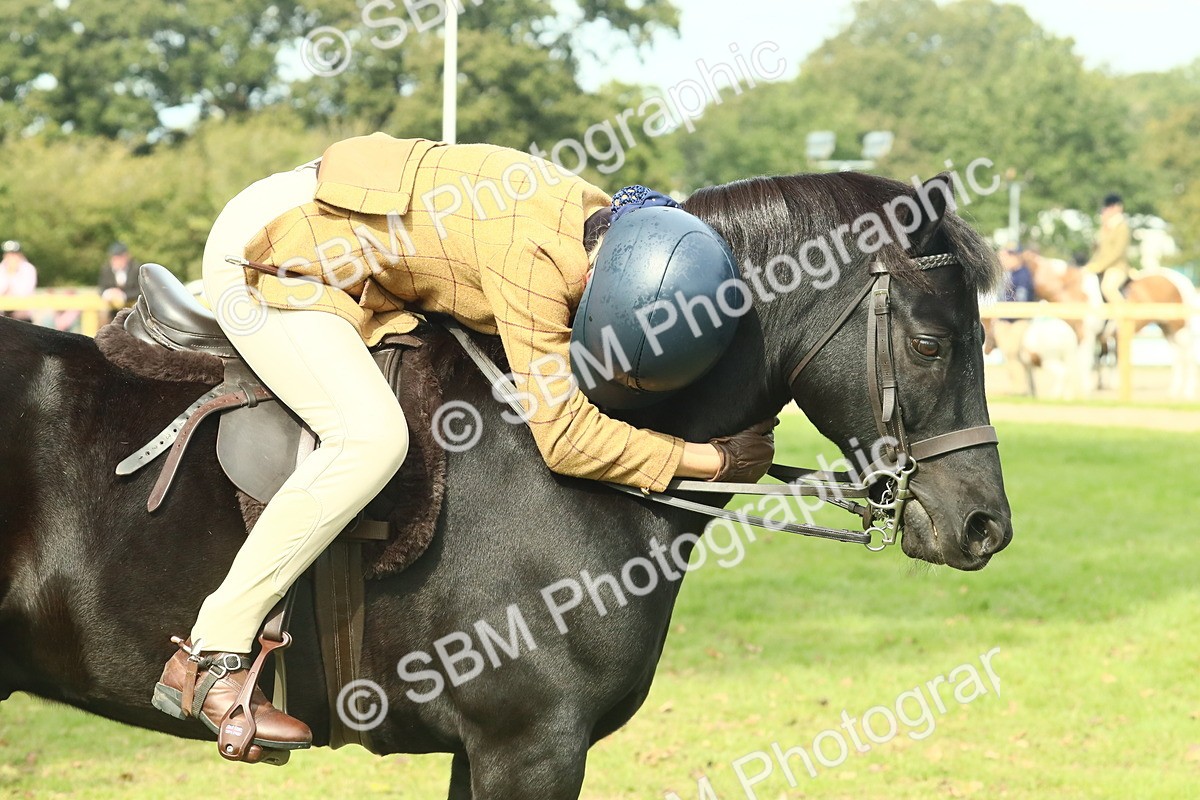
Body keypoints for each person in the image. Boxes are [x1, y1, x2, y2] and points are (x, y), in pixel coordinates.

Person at [153, 133, 777, 755]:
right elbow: (566, 439)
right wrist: (712, 460)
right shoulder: (533, 261)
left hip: (329, 220)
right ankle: (213, 654)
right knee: (369, 439)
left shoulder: (601, 214)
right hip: (269, 249)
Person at [1084, 194, 1131, 303]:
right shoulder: (1105, 226)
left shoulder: (1122, 227)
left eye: (1110, 207)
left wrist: (1100, 266)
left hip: (1117, 267)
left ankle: (1124, 316)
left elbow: (1117, 252)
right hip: (1100, 266)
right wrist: (1090, 264)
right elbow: (1099, 251)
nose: (1107, 210)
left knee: (1108, 288)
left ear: (1118, 208)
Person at [0, 240, 38, 322]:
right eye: (9, 254)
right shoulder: (1, 269)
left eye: (14, 254)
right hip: (3, 316)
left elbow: (24, 293)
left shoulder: (28, 269)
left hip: (23, 317)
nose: (11, 257)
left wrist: (12, 273)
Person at [98, 241, 141, 309]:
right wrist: (109, 293)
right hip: (111, 309)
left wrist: (123, 295)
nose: (117, 261)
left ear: (127, 257)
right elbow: (101, 288)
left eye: (120, 258)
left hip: (133, 310)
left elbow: (140, 291)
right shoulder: (106, 270)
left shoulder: (136, 269)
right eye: (114, 258)